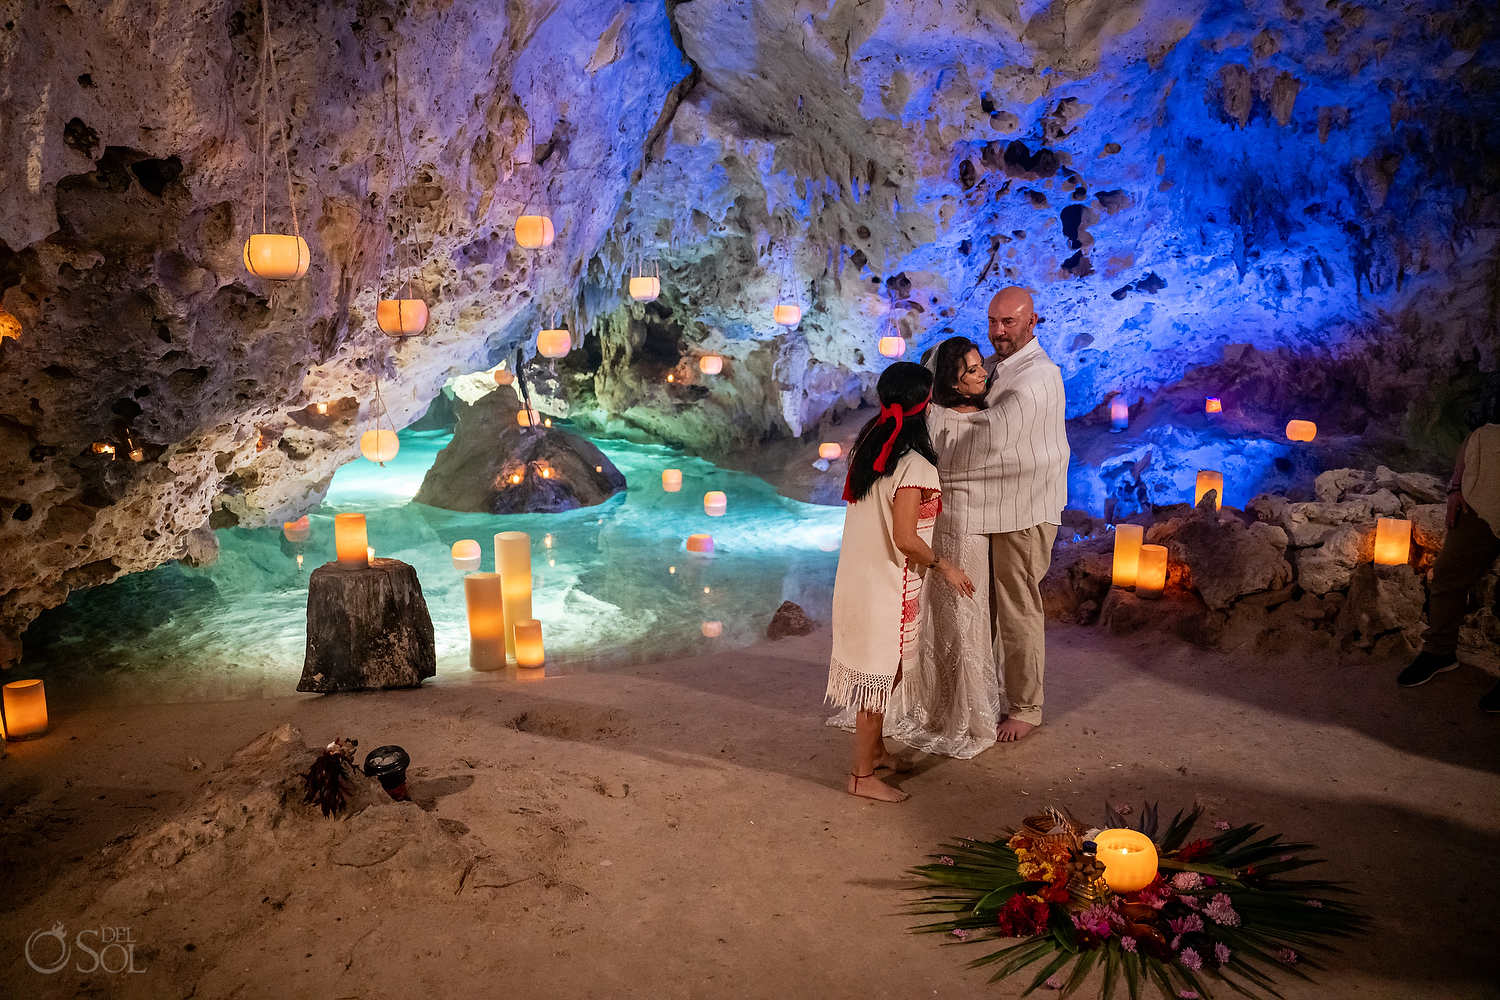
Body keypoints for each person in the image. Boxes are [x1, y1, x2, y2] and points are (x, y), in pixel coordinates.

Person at [826, 361, 977, 802]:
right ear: (925, 406)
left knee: (882, 674)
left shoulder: (871, 449)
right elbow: (907, 538)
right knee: (879, 676)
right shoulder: (914, 465)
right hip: (883, 588)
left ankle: (875, 753)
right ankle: (859, 776)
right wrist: (945, 566)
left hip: (858, 580)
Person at [953, 287, 1069, 743]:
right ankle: (989, 696)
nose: (998, 332)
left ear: (1032, 322)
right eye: (993, 322)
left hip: (1025, 511)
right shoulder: (1005, 369)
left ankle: (1026, 707)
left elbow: (995, 441)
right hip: (1003, 508)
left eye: (1009, 323)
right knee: (991, 610)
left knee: (1018, 609)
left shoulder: (1037, 377)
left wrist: (939, 447)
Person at [885, 336, 1005, 758]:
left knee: (965, 615)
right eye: (971, 370)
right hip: (949, 525)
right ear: (953, 383)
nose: (982, 373)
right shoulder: (944, 419)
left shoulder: (974, 415)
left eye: (979, 366)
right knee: (937, 617)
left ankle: (961, 705)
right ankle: (940, 708)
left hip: (968, 525)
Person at [1397, 385, 1500, 713]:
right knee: (1447, 575)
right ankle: (1440, 652)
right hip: (1478, 499)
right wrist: (1455, 487)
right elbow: (1479, 435)